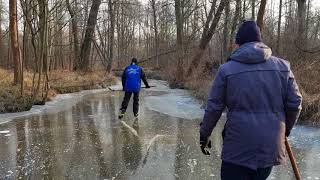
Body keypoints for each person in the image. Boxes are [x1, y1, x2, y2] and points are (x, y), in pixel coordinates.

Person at [199, 20, 302, 180]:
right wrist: (285, 130)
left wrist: (204, 134)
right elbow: (295, 103)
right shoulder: (283, 67)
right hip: (269, 146)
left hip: (237, 149)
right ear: (259, 41)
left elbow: (214, 107)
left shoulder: (226, 70)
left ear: (238, 44)